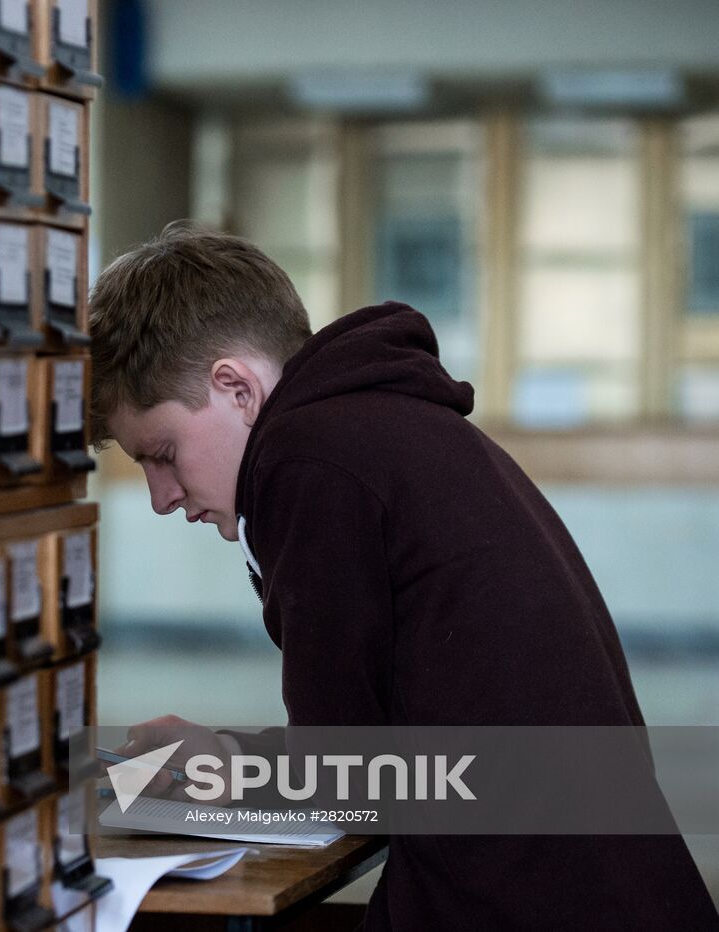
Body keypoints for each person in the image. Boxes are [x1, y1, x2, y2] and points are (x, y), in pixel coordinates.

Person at [92, 221, 719, 930]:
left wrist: (217, 773)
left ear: (236, 388)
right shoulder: (380, 426)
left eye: (162, 454)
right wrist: (228, 754)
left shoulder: (307, 460)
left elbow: (342, 782)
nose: (160, 496)